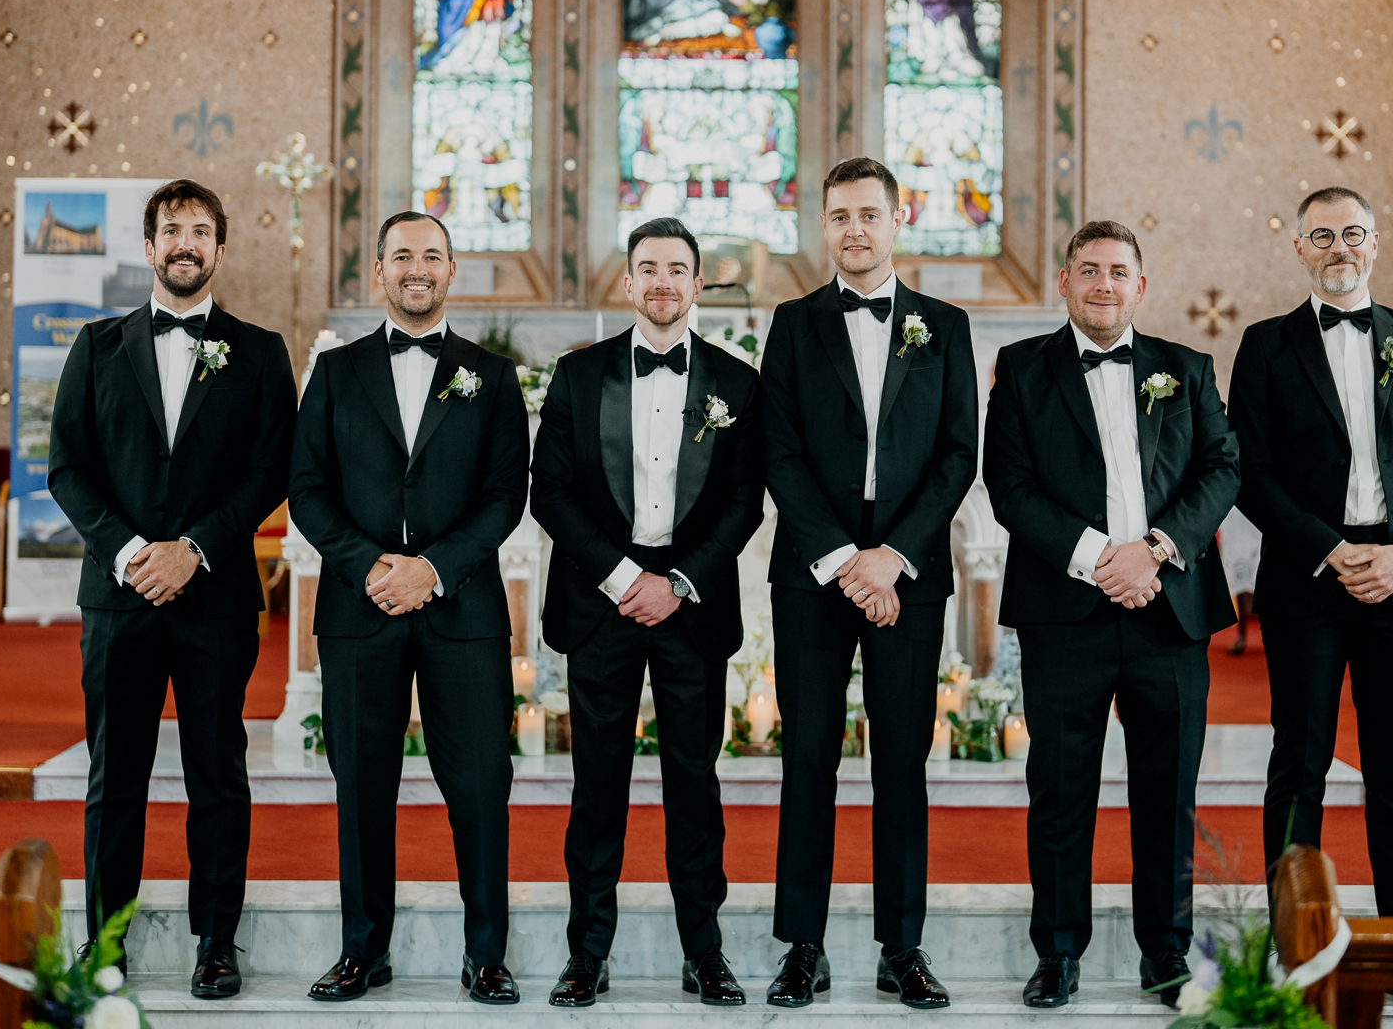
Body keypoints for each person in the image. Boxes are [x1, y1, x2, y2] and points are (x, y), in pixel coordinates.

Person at [982, 220, 1240, 1009]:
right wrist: (1102, 557)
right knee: (1061, 789)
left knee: (1168, 794)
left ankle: (1164, 954)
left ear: (1141, 285)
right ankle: (1057, 952)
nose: (1103, 283)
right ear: (1063, 282)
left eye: (1118, 271)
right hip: (1066, 612)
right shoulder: (1023, 370)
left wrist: (1155, 550)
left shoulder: (1186, 369)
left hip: (1169, 609)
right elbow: (1010, 485)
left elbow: (1222, 466)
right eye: (1087, 270)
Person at [47, 179, 295, 999]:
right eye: (170, 230)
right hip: (119, 600)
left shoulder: (259, 352)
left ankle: (216, 943)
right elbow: (68, 469)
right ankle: (105, 944)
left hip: (216, 597)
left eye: (200, 231)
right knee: (114, 774)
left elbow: (269, 470)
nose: (185, 243)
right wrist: (128, 553)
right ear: (148, 247)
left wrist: (194, 549)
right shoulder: (97, 345)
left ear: (220, 250)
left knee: (216, 775)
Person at [288, 211, 530, 1004]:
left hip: (461, 611)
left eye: (432, 255)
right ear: (379, 274)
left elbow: (504, 497)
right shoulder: (335, 371)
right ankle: (364, 951)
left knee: (480, 784)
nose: (416, 268)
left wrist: (433, 569)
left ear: (452, 269)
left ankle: (486, 953)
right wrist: (372, 568)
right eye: (402, 256)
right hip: (361, 610)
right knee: (362, 783)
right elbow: (308, 492)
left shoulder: (491, 378)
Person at [529, 217, 766, 1009]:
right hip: (603, 603)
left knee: (693, 784)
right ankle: (585, 954)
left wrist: (679, 581)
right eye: (648, 269)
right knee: (597, 784)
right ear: (627, 283)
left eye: (678, 269)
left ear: (699, 284)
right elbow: (550, 493)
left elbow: (744, 505)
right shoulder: (578, 374)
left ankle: (706, 953)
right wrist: (626, 574)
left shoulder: (738, 383)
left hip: (691, 607)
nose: (663, 282)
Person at [760, 156, 979, 1010]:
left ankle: (903, 946)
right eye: (840, 215)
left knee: (902, 761)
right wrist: (844, 560)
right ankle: (801, 947)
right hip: (813, 578)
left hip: (909, 578)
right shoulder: (792, 323)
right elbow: (777, 452)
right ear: (823, 226)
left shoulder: (945, 325)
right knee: (807, 758)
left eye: (869, 214)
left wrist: (892, 555)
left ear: (899, 219)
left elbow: (959, 452)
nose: (855, 229)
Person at [1229, 186, 1393, 918]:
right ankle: (1293, 931)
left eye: (1354, 234)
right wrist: (1332, 549)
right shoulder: (1266, 346)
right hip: (1309, 581)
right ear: (1299, 247)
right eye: (1324, 235)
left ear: (1376, 244)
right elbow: (1249, 470)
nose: (1341, 248)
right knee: (1299, 764)